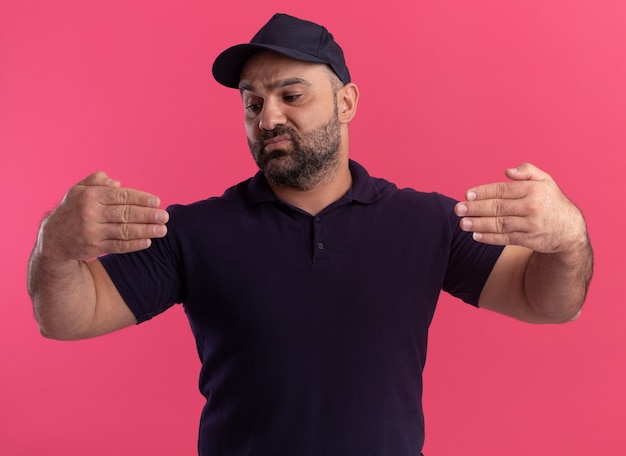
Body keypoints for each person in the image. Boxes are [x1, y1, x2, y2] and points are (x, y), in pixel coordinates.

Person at [27, 13, 593, 456]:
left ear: (345, 103)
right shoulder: (194, 232)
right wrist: (54, 247)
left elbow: (546, 302)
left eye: (291, 96)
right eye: (253, 103)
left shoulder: (427, 223)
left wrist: (568, 237)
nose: (267, 117)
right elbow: (67, 316)